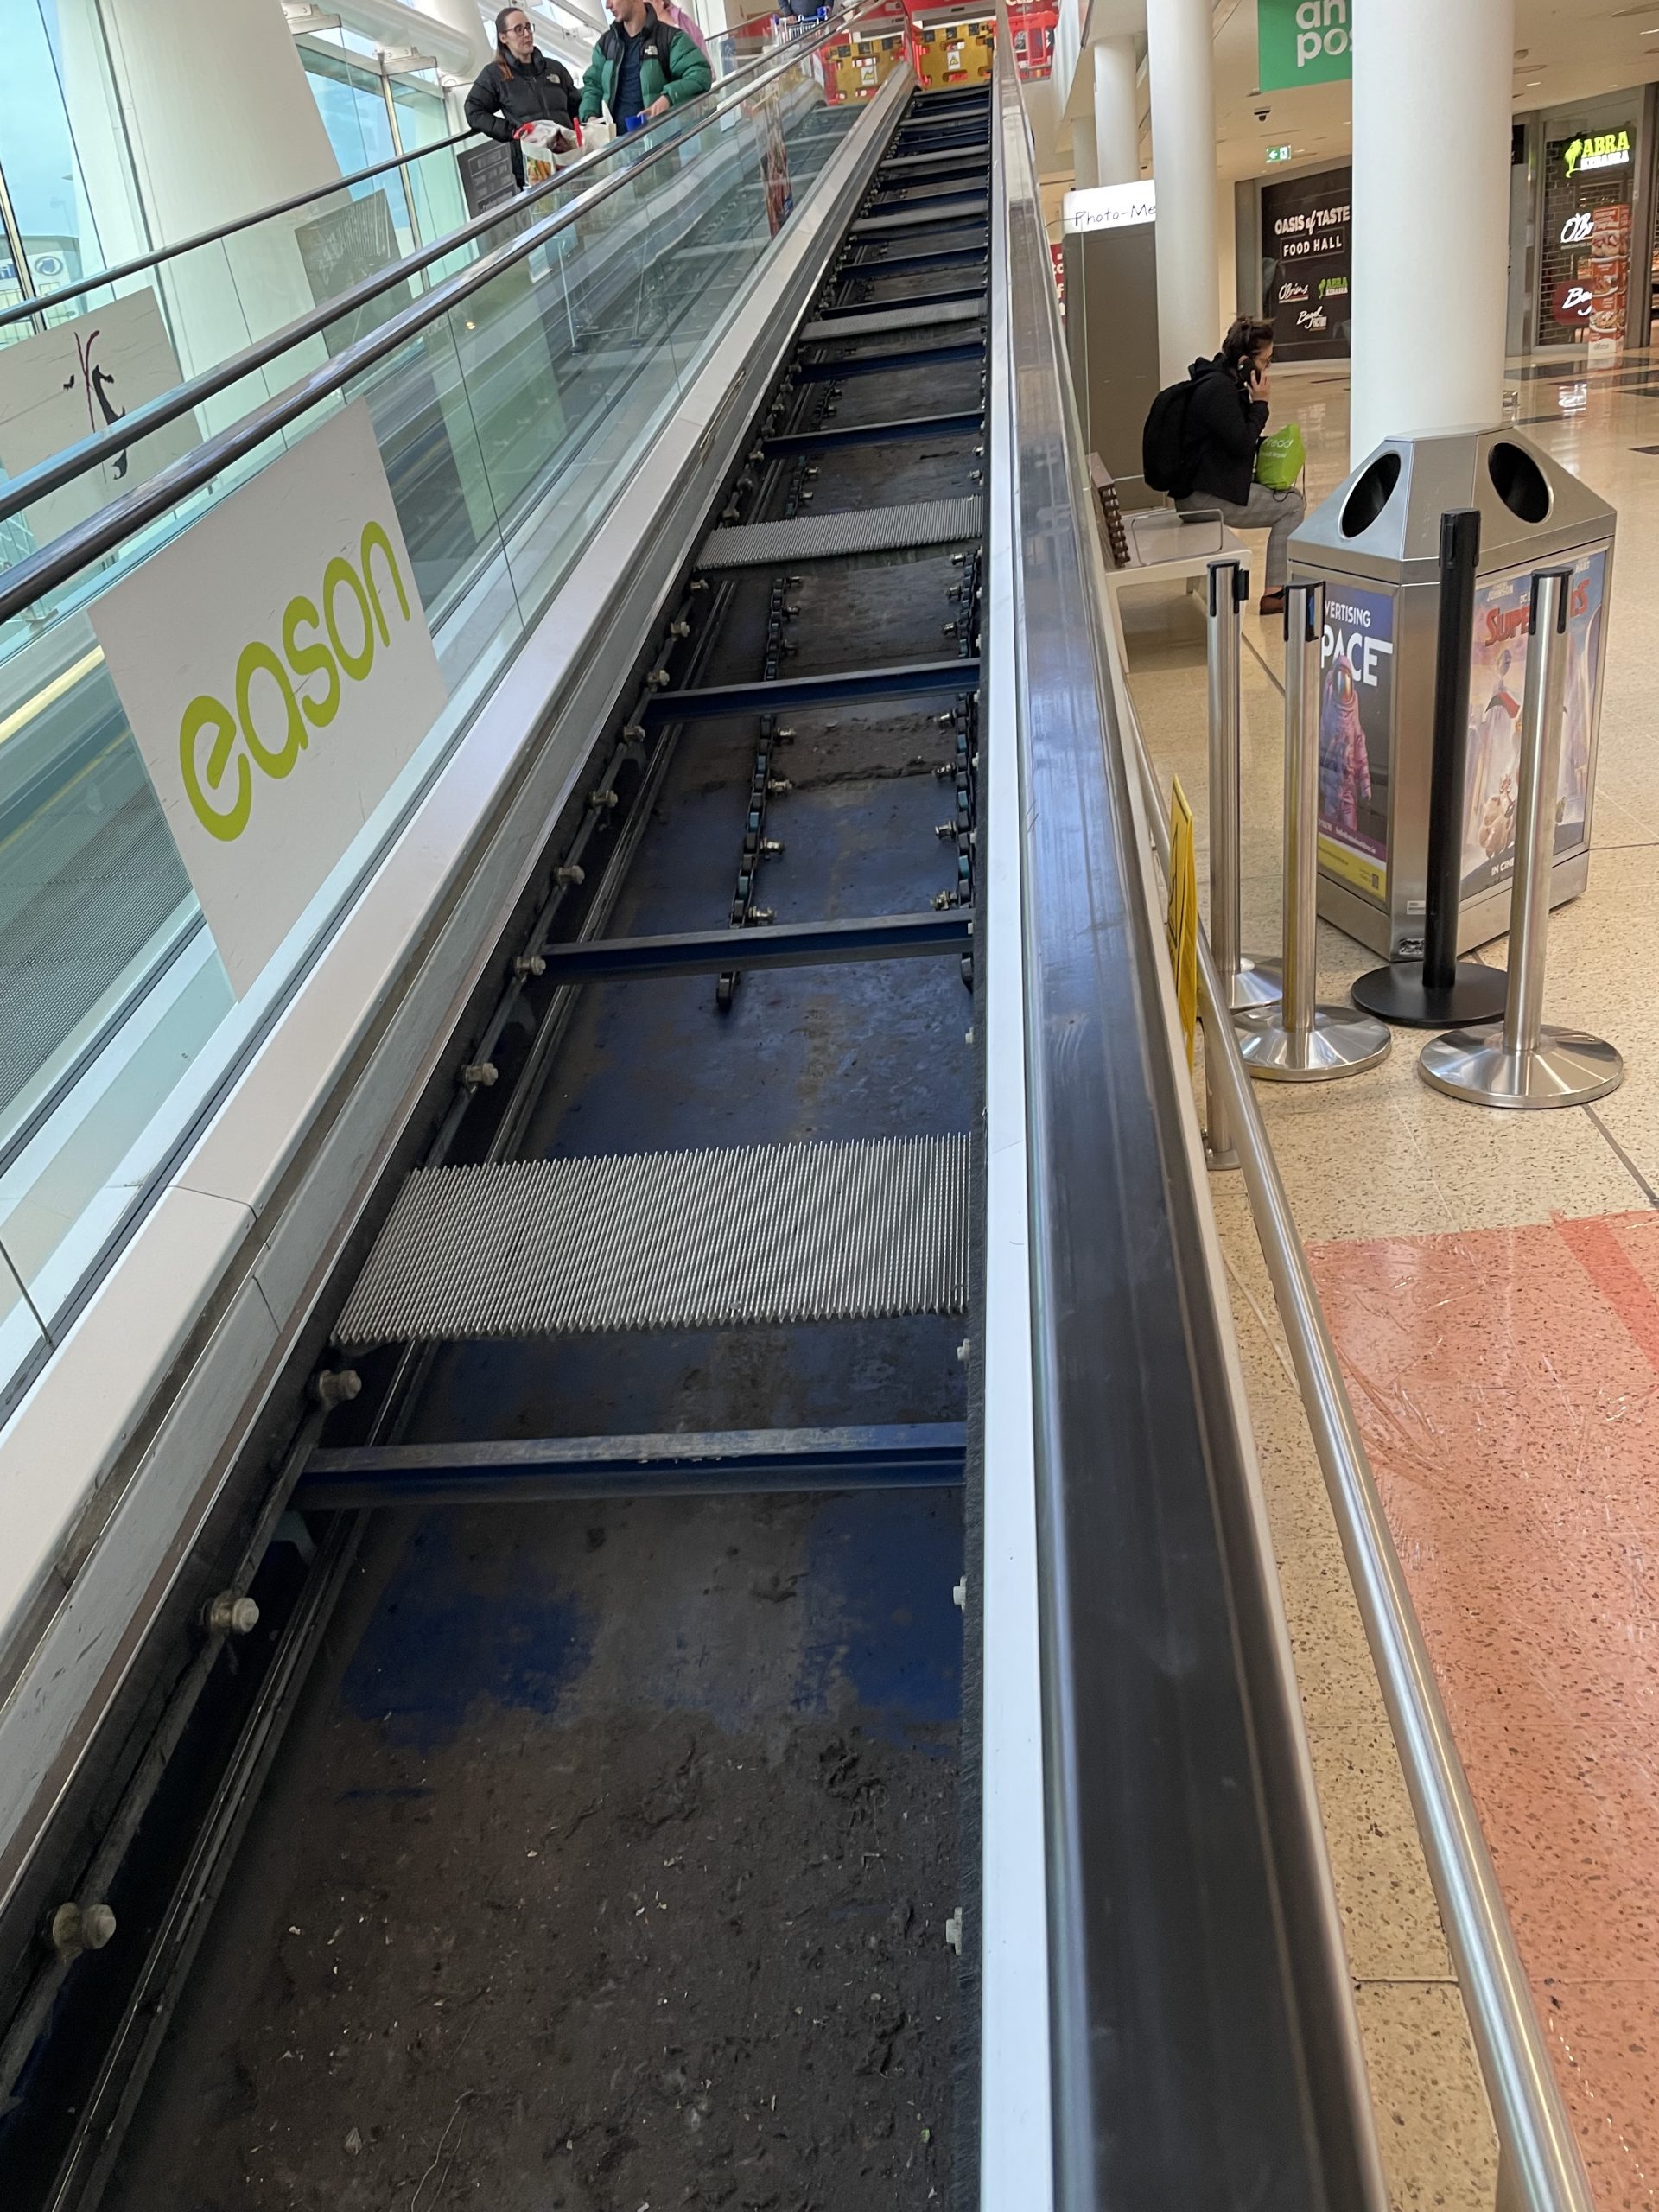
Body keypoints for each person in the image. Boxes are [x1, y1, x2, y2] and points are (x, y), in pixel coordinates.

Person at [1174, 315, 1305, 619]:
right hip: (1202, 498)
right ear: (1246, 362)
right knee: (1291, 505)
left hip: (1205, 488)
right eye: (1265, 361)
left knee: (1288, 498)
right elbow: (1242, 444)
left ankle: (1277, 589)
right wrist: (1260, 403)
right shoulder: (1219, 391)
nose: (1267, 369)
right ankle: (1275, 594)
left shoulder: (1220, 381)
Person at [466, 10, 582, 189]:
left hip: (569, 158)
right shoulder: (495, 75)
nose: (527, 34)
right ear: (503, 37)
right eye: (518, 29)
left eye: (528, 27)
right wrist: (511, 131)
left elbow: (576, 105)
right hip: (535, 167)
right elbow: (473, 110)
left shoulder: (554, 68)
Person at [579, 0, 712, 133]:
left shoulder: (670, 38)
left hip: (660, 140)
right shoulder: (605, 44)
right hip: (617, 143)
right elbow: (593, 85)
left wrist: (668, 98)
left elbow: (700, 74)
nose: (608, 5)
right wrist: (590, 116)